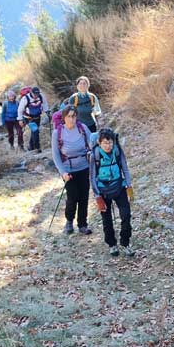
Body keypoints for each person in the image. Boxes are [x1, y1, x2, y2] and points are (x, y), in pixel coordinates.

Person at [90, 128, 134, 257]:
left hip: (119, 187)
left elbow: (124, 168)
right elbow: (92, 177)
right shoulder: (95, 155)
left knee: (126, 215)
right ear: (99, 143)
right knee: (106, 219)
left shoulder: (117, 151)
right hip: (103, 191)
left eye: (110, 143)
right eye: (105, 143)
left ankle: (125, 242)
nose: (108, 146)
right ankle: (112, 244)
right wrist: (97, 196)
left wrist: (129, 185)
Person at [51, 105, 93, 235]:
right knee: (72, 196)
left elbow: (92, 143)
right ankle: (69, 222)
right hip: (68, 170)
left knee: (84, 196)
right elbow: (56, 155)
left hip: (84, 167)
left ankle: (82, 224)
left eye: (74, 116)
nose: (71, 119)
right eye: (69, 116)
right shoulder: (57, 133)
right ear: (64, 117)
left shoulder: (83, 128)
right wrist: (63, 172)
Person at [17, 86, 46, 152]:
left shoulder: (41, 96)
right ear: (31, 92)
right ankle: (37, 148)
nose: (36, 96)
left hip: (37, 117)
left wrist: (47, 112)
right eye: (34, 94)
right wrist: (20, 119)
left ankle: (31, 147)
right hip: (28, 118)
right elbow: (20, 110)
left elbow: (45, 104)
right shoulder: (25, 98)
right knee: (35, 131)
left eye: (37, 94)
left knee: (34, 131)